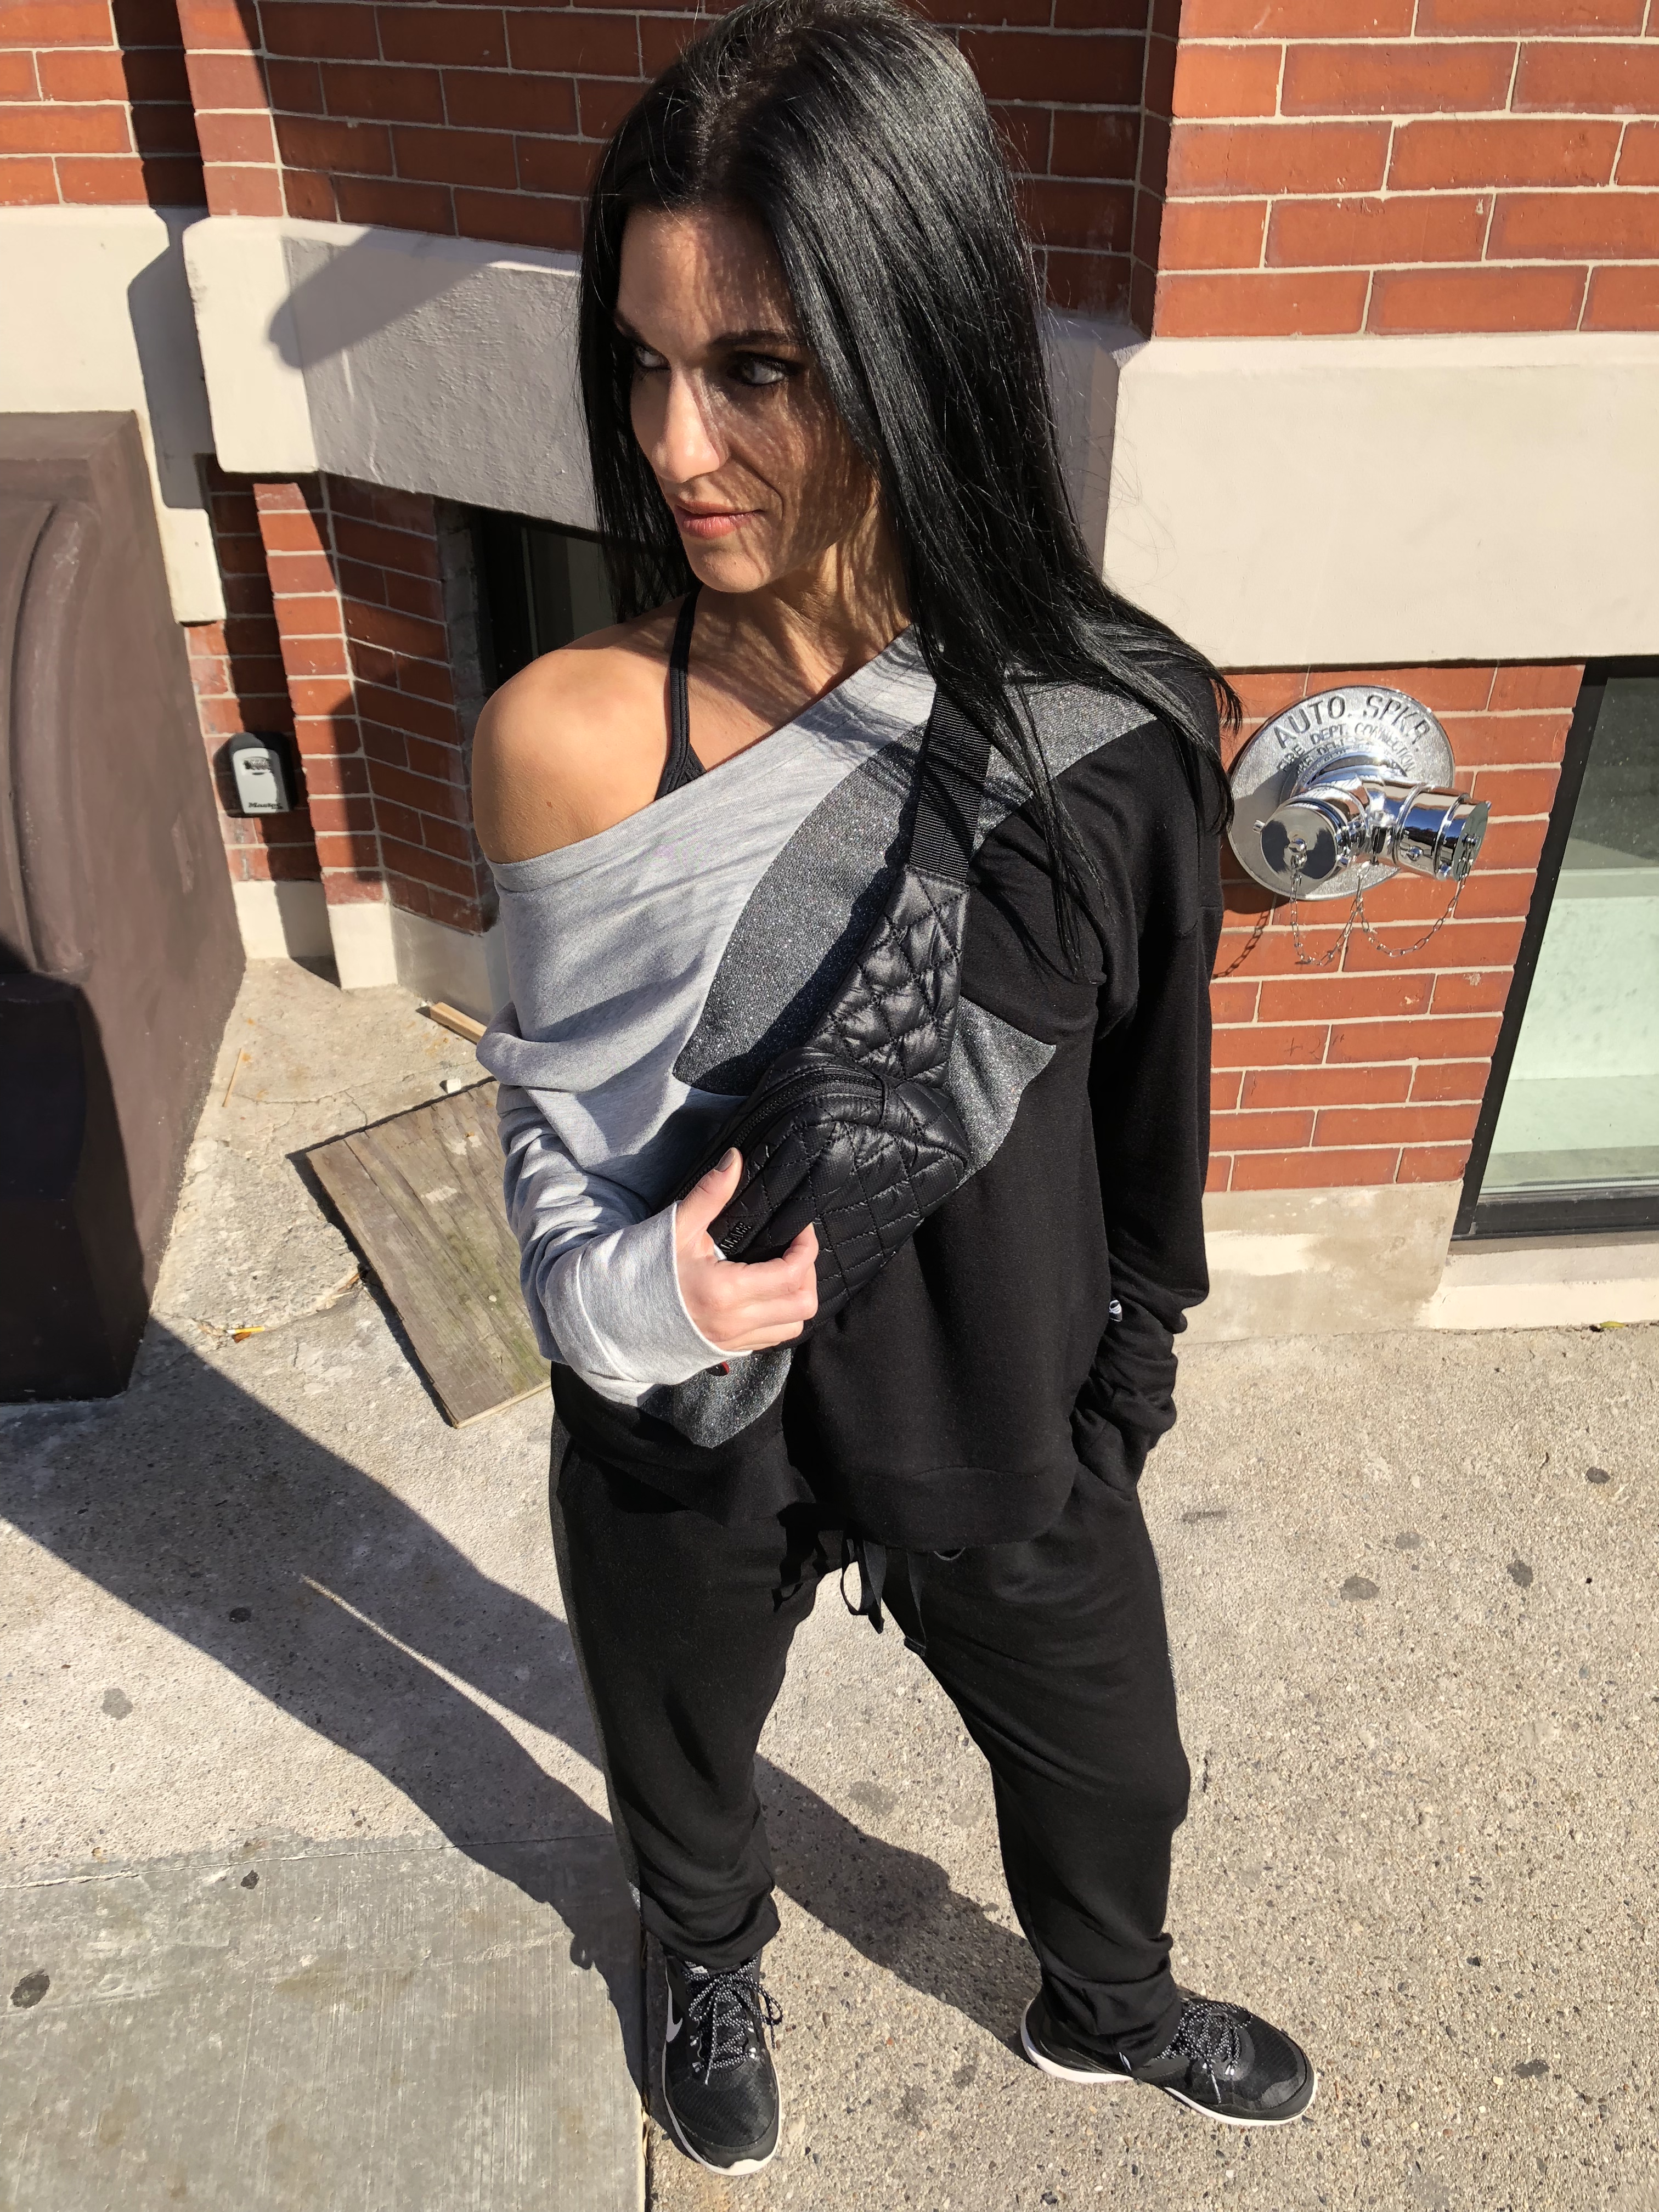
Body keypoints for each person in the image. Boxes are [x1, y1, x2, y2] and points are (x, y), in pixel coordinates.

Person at [471, 0, 1317, 2175]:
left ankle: (1107, 2003)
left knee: (1119, 1768)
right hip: (703, 1412)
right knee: (682, 1753)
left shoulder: (1117, 721)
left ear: (919, 343)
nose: (676, 444)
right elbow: (555, 1156)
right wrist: (643, 1304)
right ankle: (702, 1949)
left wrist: (1124, 1379)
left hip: (994, 1391)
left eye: (756, 366)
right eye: (644, 363)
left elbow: (1150, 1098)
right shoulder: (572, 736)